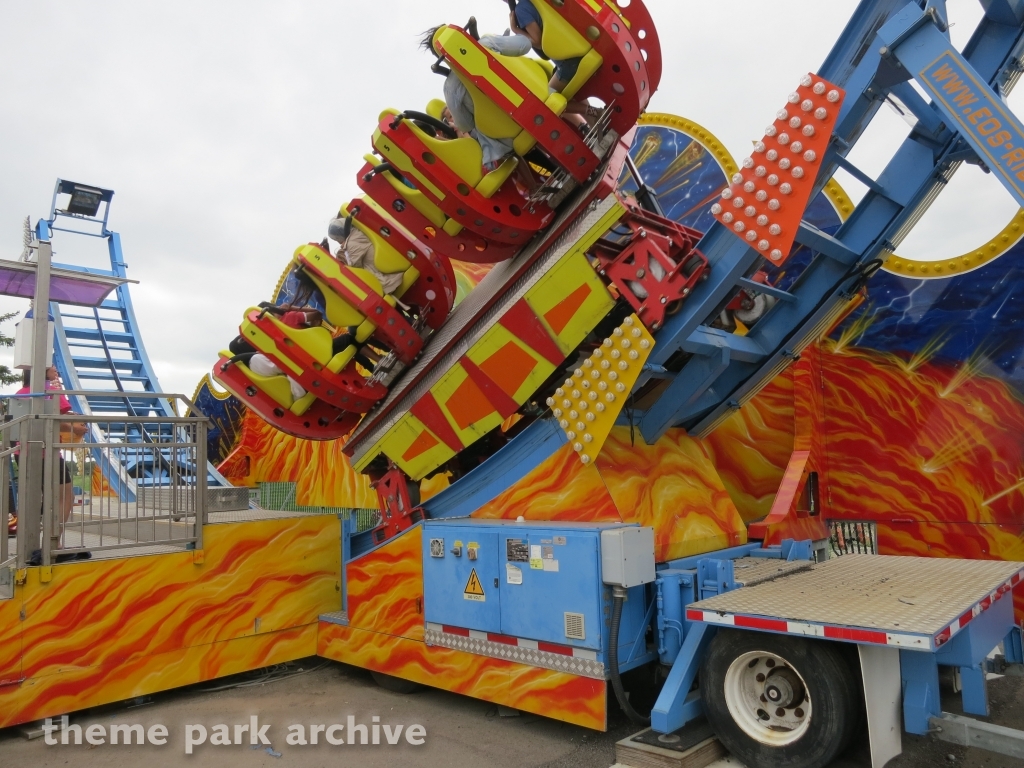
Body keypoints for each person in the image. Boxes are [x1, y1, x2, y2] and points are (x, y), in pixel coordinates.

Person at [16, 366, 89, 564]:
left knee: (34, 498)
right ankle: (52, 542)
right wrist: (76, 427)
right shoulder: (51, 389)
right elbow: (55, 418)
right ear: (43, 371)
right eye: (51, 368)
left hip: (22, 451)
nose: (56, 370)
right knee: (65, 497)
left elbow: (41, 417)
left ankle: (30, 546)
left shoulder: (21, 392)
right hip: (46, 451)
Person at [506, 0, 602, 126]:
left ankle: (595, 112)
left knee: (547, 101)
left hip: (567, 62)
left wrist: (515, 29)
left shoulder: (521, 9)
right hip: (579, 53)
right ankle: (594, 123)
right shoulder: (535, 2)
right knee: (567, 92)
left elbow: (538, 41)